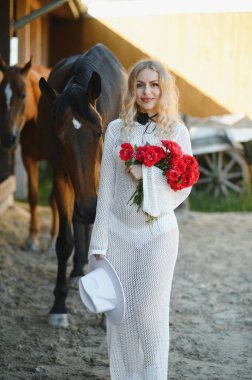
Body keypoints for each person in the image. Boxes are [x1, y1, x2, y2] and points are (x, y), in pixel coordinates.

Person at [88, 59, 193, 380]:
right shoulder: (117, 130)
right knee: (121, 316)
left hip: (157, 235)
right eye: (140, 85)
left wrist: (147, 173)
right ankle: (128, 375)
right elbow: (105, 189)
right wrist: (98, 244)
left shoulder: (177, 131)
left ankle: (153, 375)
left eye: (154, 84)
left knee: (149, 312)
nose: (147, 92)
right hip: (119, 235)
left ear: (164, 89)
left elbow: (183, 186)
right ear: (131, 88)